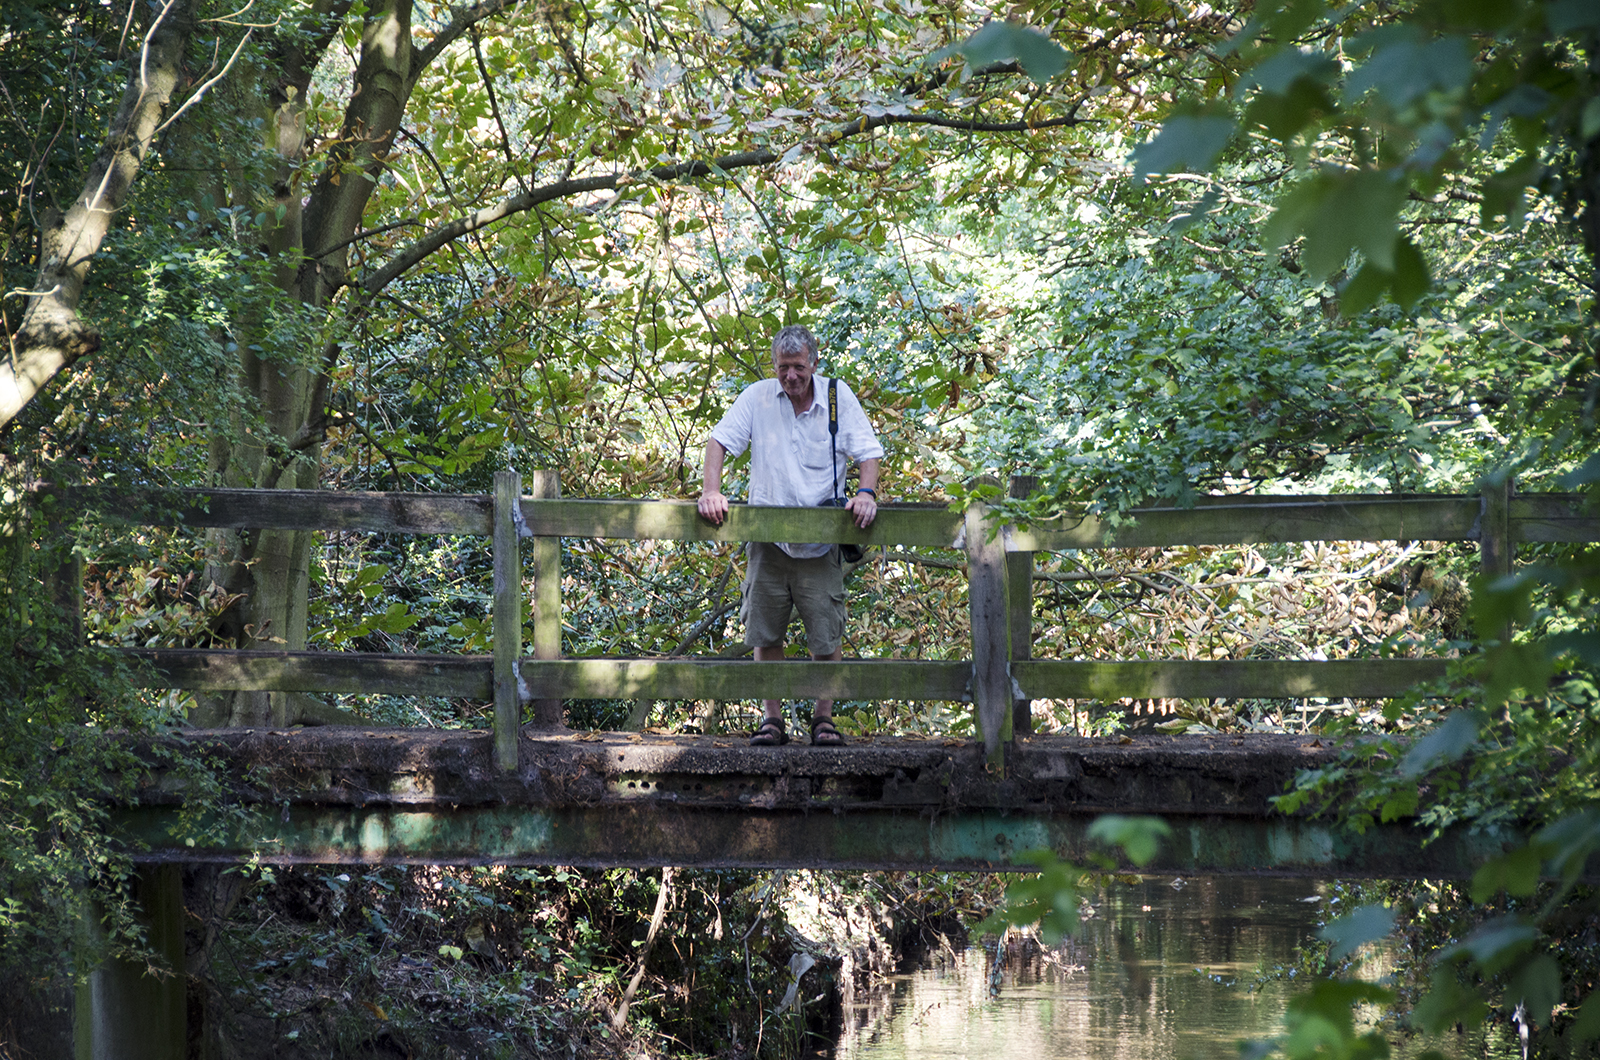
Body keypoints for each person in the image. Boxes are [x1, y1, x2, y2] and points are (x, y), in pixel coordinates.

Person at [698, 324, 883, 746]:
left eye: (798, 367)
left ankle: (823, 720)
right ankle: (772, 719)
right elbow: (718, 442)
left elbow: (868, 452)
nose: (790, 377)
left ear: (814, 363)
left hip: (821, 543)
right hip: (767, 539)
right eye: (783, 368)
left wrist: (866, 493)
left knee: (825, 633)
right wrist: (711, 491)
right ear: (774, 366)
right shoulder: (758, 396)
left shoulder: (838, 397)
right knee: (765, 630)